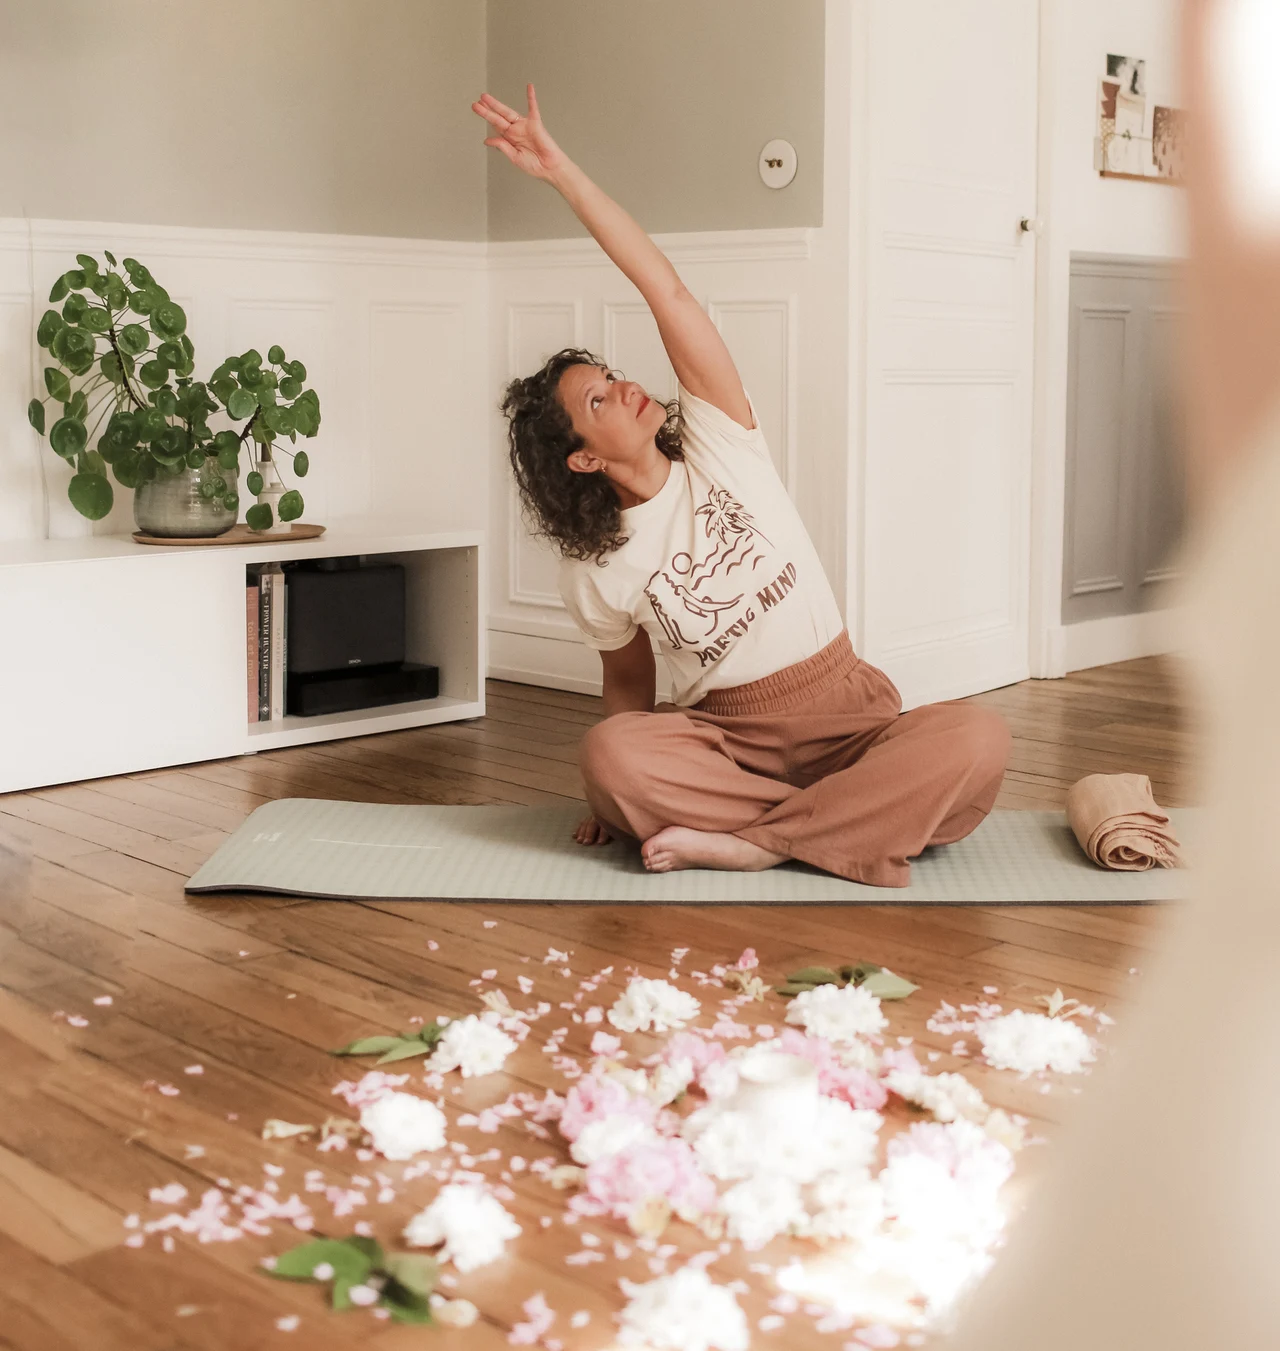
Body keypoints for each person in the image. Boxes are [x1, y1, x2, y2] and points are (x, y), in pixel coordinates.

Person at [473, 84, 1010, 885]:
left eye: (611, 376)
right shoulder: (594, 569)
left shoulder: (720, 436)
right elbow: (629, 689)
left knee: (979, 740)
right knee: (609, 755)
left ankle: (763, 842)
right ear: (581, 459)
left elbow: (665, 289)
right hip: (726, 747)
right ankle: (845, 825)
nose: (624, 387)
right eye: (598, 401)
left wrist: (563, 175)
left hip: (851, 724)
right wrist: (612, 796)